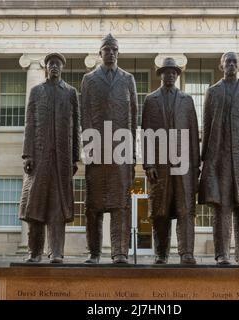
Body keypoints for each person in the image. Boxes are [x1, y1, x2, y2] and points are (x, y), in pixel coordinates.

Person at [198, 52, 239, 265]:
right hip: (219, 160)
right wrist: (204, 158)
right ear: (221, 65)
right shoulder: (213, 92)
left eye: (235, 62)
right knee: (222, 209)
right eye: (228, 62)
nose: (232, 65)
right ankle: (222, 254)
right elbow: (206, 126)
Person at [80, 34, 138, 264]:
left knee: (121, 205)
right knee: (93, 206)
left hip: (121, 151)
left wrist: (132, 153)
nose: (111, 52)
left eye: (114, 49)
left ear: (118, 52)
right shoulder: (89, 79)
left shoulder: (128, 79)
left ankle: (120, 252)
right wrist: (89, 149)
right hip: (97, 150)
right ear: (100, 53)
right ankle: (94, 252)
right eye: (107, 49)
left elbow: (133, 116)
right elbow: (85, 114)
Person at [19, 53, 80, 263]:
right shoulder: (36, 91)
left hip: (61, 161)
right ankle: (34, 253)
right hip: (39, 158)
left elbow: (76, 127)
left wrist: (75, 158)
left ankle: (56, 252)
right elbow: (29, 124)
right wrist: (27, 154)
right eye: (51, 64)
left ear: (62, 67)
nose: (54, 67)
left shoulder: (71, 93)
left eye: (57, 64)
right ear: (46, 67)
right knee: (35, 207)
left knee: (57, 208)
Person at [141, 57, 200, 265]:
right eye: (167, 72)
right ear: (161, 75)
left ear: (177, 75)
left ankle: (186, 252)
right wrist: (148, 163)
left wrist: (195, 166)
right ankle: (161, 253)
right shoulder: (150, 100)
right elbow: (146, 133)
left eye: (174, 72)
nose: (170, 75)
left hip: (184, 165)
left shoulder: (187, 100)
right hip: (159, 165)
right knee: (160, 211)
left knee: (185, 209)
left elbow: (193, 135)